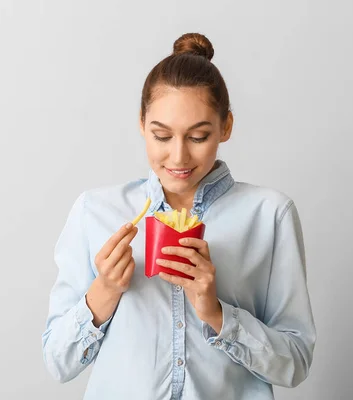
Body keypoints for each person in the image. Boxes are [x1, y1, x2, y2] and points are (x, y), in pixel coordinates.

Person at [41, 32, 316, 399]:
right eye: (161, 136)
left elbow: (295, 362)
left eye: (198, 137)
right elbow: (59, 363)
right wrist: (103, 292)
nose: (178, 157)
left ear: (226, 127)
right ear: (142, 124)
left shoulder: (270, 215)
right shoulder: (96, 211)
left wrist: (217, 313)